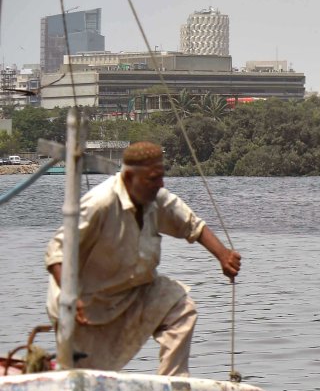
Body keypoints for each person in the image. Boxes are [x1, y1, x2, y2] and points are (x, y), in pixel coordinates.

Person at [44, 141, 241, 376]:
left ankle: (173, 386)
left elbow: (192, 225)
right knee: (83, 377)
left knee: (182, 307)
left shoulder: (155, 198)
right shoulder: (101, 203)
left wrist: (223, 255)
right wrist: (71, 294)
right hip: (86, 306)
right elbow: (57, 253)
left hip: (130, 294)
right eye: (153, 179)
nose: (160, 184)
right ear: (128, 178)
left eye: (161, 177)